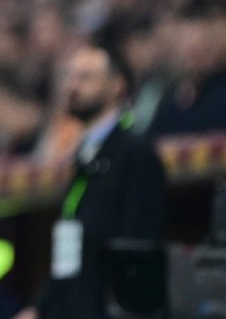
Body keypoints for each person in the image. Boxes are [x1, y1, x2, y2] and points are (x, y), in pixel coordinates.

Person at [13, 44, 167, 319]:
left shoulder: (135, 152)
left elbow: (138, 248)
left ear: (117, 86)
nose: (73, 86)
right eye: (69, 76)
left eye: (86, 77)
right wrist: (39, 307)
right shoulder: (84, 155)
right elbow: (72, 250)